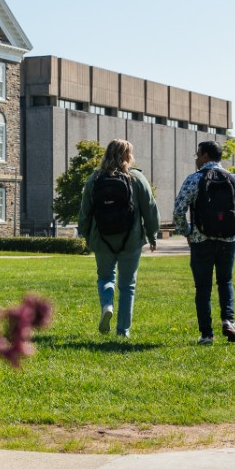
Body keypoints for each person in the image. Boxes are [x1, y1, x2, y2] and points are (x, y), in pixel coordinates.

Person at [78, 139, 160, 339]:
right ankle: (123, 331)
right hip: (130, 239)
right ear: (128, 156)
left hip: (102, 237)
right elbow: (150, 209)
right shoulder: (136, 178)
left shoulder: (95, 178)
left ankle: (107, 305)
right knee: (127, 285)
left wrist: (86, 234)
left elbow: (85, 211)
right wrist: (152, 234)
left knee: (105, 277)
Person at [173, 141, 235, 345]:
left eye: (198, 154)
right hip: (228, 239)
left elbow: (179, 209)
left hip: (201, 240)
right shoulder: (233, 179)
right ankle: (228, 321)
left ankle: (206, 334)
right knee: (225, 282)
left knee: (203, 287)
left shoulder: (194, 179)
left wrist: (187, 232)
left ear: (206, 156)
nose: (196, 159)